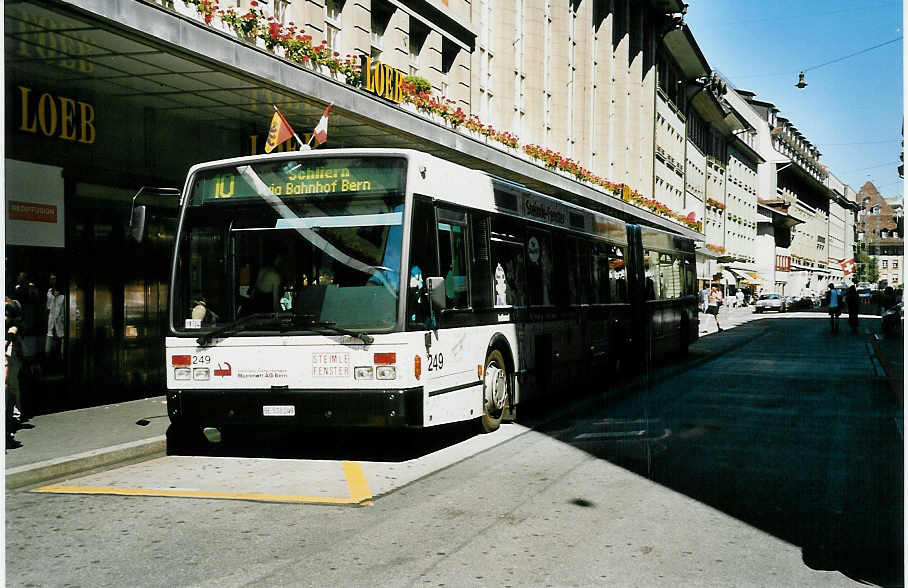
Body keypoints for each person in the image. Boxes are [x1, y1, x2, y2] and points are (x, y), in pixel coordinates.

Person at [6, 296, 24, 448]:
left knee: (10, 386)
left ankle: (14, 417)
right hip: (10, 352)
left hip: (11, 353)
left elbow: (15, 327)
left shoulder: (13, 304)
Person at [45, 283, 65, 361]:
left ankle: (62, 359)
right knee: (48, 349)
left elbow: (63, 311)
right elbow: (48, 306)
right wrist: (51, 296)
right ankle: (48, 360)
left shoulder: (63, 298)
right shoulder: (50, 296)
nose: (56, 292)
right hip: (51, 324)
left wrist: (62, 319)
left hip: (60, 324)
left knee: (61, 343)